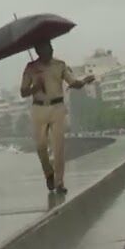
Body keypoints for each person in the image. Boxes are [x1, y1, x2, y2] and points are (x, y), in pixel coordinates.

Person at [21, 41, 94, 194]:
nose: (50, 51)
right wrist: (35, 88)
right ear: (38, 51)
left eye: (51, 48)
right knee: (41, 146)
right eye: (46, 49)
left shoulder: (60, 65)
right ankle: (48, 173)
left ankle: (59, 182)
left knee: (58, 146)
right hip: (39, 108)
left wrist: (84, 81)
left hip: (57, 108)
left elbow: (73, 82)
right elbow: (23, 92)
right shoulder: (31, 68)